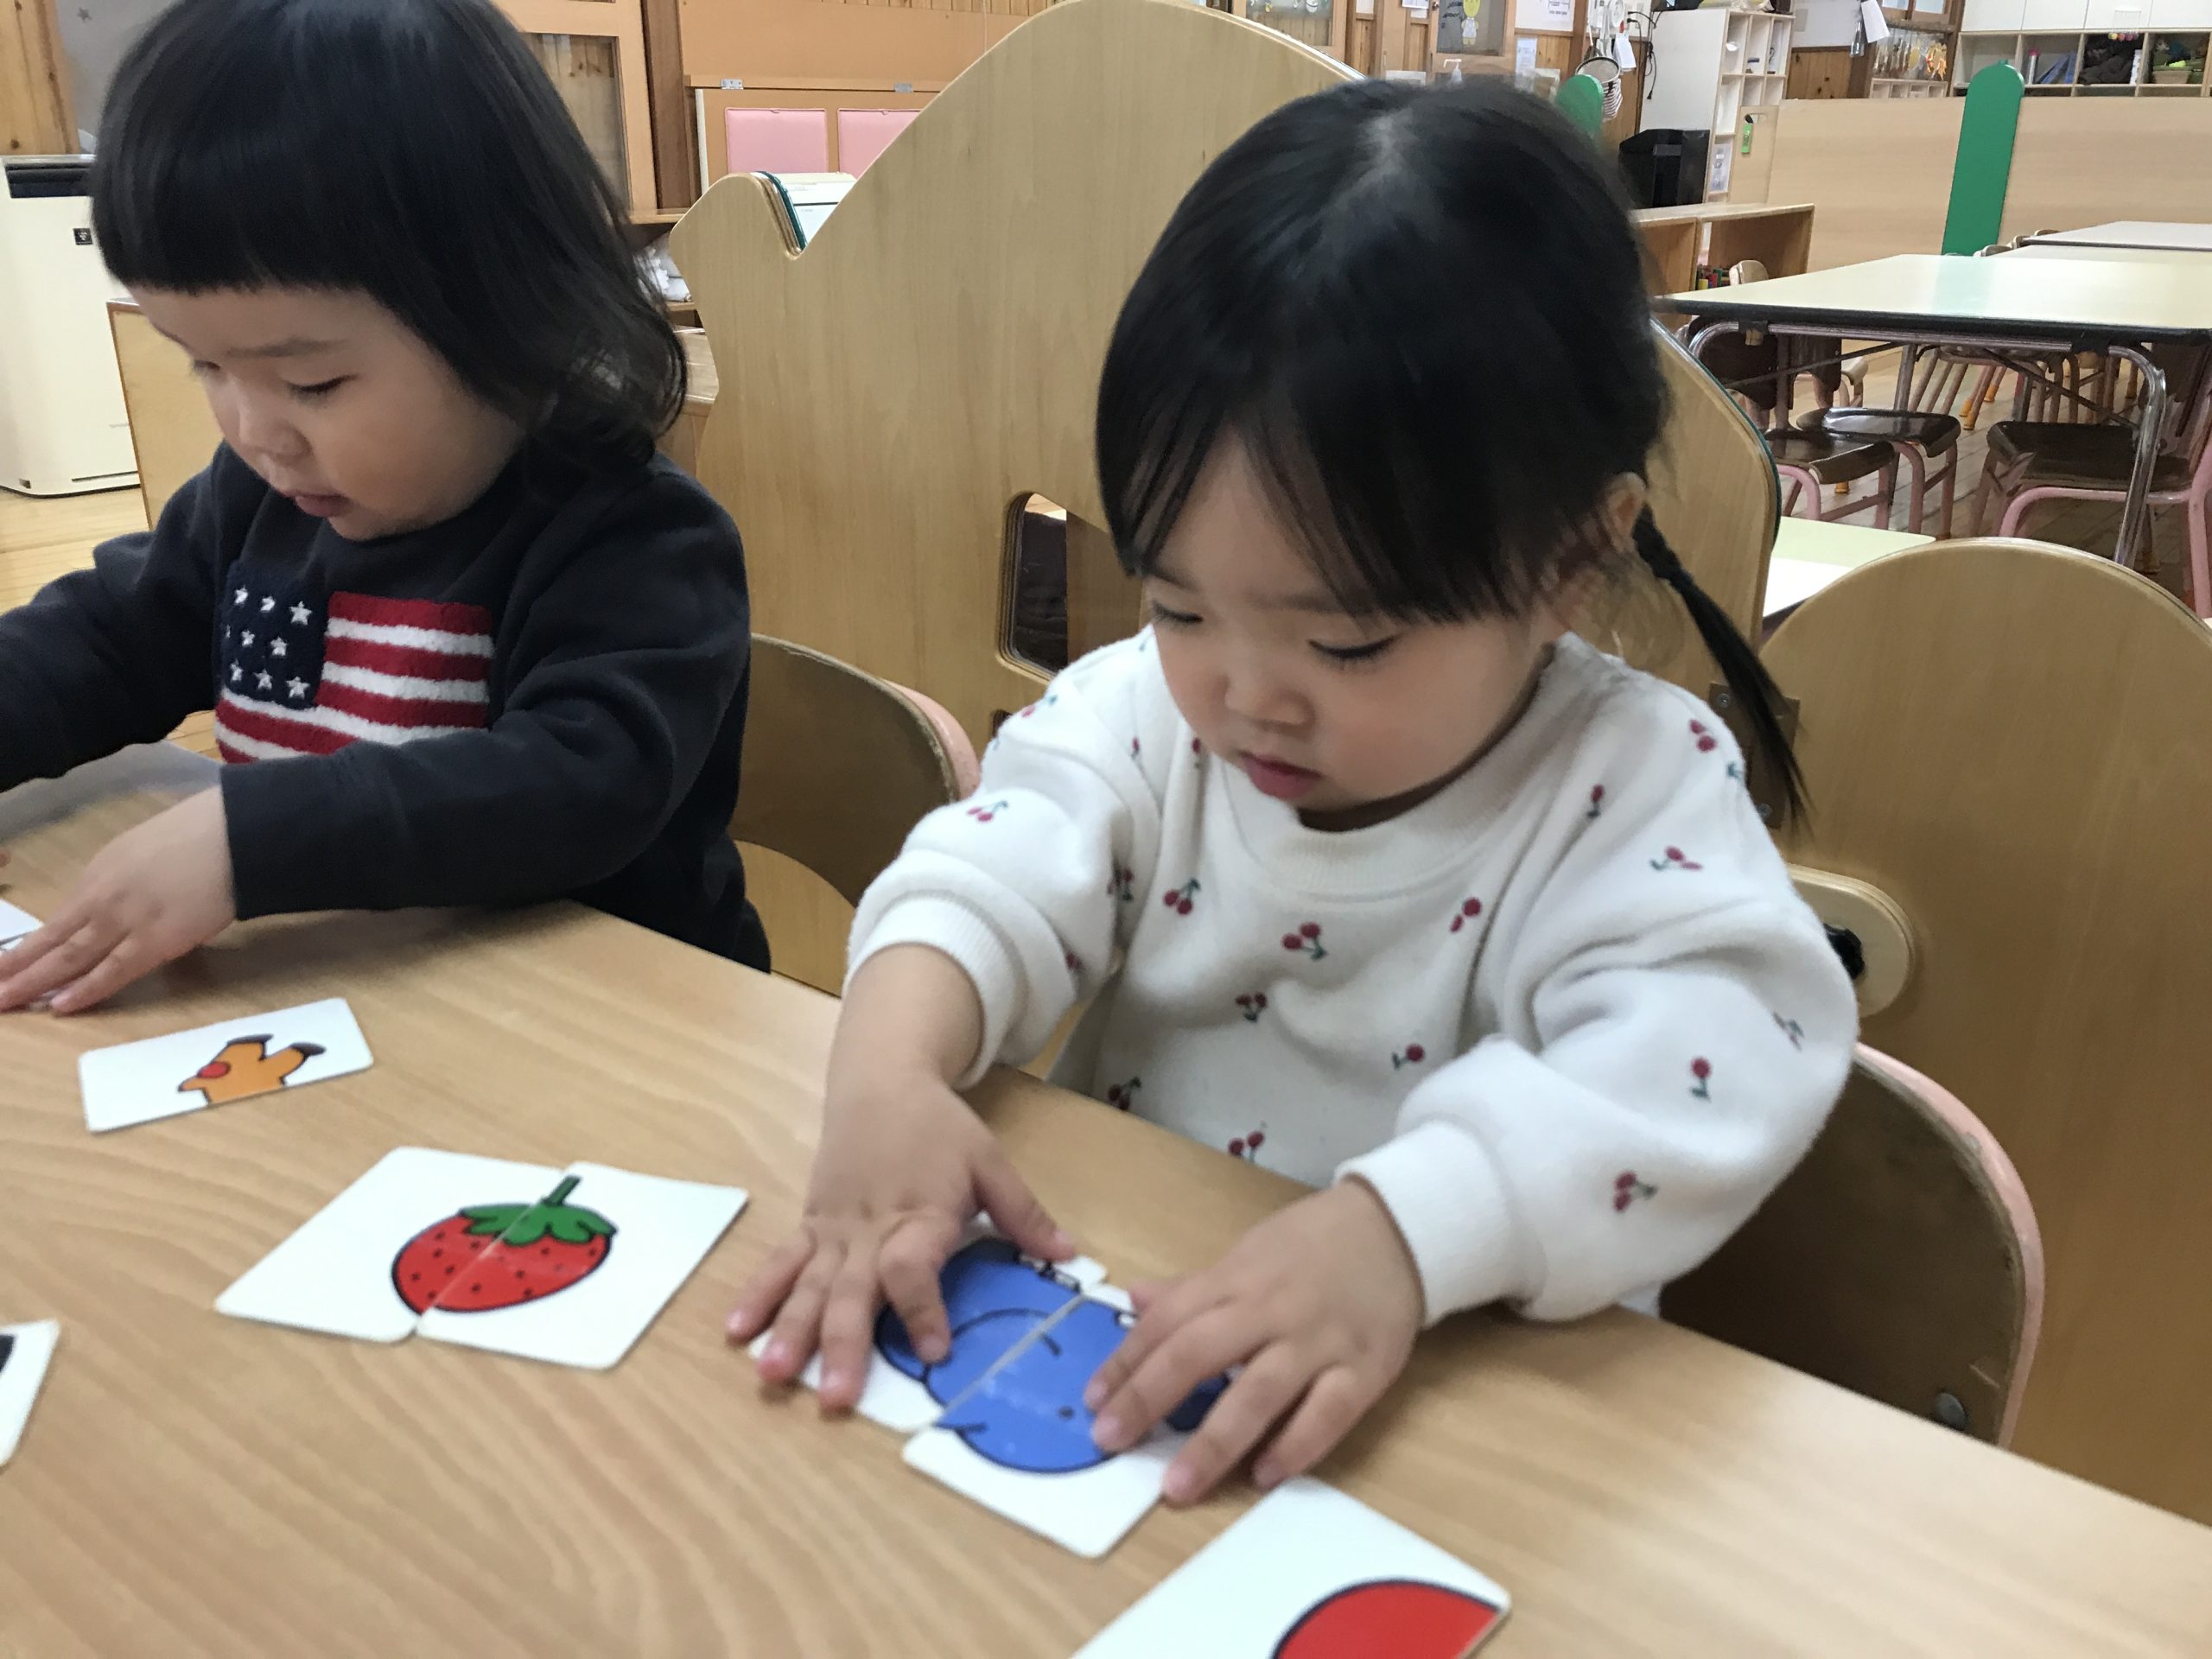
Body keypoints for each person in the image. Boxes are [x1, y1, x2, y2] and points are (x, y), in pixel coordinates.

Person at [729, 80, 1853, 1504]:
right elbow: (991, 868)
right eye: (1179, 606)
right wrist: (886, 1072)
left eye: (1346, 643)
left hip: (1464, 1435)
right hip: (1119, 1348)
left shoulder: (1628, 789)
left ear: (1575, 557)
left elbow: (1717, 1048)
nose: (1247, 694)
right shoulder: (1148, 713)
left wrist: (1399, 1238)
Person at [0, 0, 766, 1015]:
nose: (254, 432)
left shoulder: (636, 537)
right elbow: (108, 638)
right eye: (206, 366)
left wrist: (248, 841)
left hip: (611, 1023)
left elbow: (581, 785)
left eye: (310, 384)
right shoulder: (256, 500)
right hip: (368, 1000)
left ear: (505, 312)